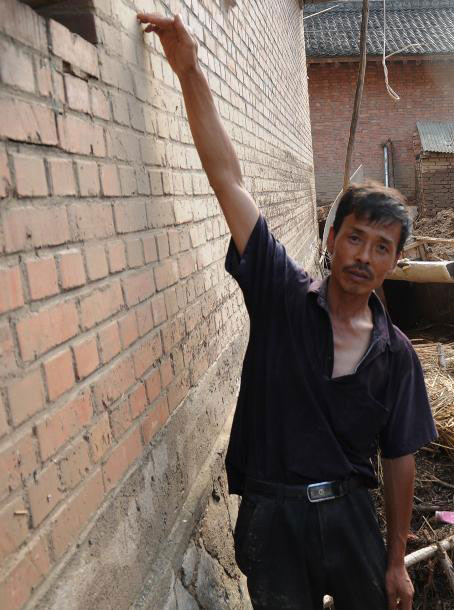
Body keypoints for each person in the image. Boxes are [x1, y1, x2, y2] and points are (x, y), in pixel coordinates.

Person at [137, 13, 437, 610]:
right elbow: (228, 181)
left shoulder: (396, 356)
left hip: (352, 519)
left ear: (395, 263)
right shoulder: (280, 293)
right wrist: (190, 69)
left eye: (382, 247)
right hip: (273, 516)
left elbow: (399, 457)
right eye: (355, 238)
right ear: (331, 241)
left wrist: (395, 558)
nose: (364, 256)